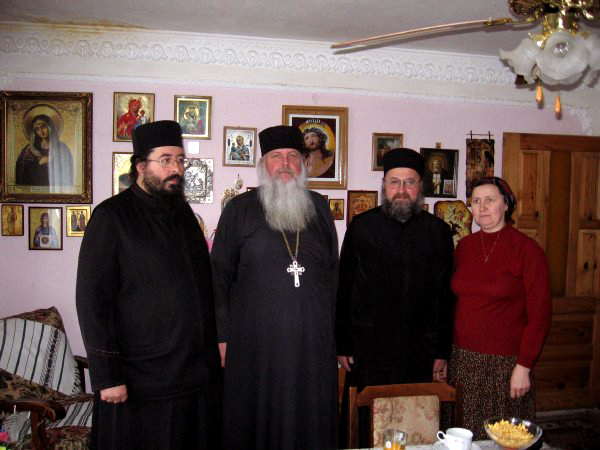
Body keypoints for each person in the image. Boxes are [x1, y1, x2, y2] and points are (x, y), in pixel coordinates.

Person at [76, 120, 222, 449]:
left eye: (180, 160)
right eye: (165, 160)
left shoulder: (184, 215)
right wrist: (108, 377)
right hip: (139, 381)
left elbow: (201, 290)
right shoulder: (111, 217)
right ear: (141, 166)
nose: (176, 169)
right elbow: (92, 302)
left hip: (192, 377)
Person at [211, 125, 339, 450]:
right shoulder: (239, 209)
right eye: (276, 156)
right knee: (256, 416)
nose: (285, 164)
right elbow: (218, 276)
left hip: (311, 343)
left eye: (293, 156)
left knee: (309, 417)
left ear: (303, 163)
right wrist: (222, 336)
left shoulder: (319, 208)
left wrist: (332, 334)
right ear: (263, 164)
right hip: (254, 343)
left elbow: (332, 273)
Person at [336, 148, 455, 447]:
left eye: (409, 182)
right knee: (367, 427)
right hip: (370, 349)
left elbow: (445, 296)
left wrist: (442, 350)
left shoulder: (438, 232)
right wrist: (343, 343)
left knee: (417, 423)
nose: (401, 190)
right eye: (394, 182)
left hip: (420, 350)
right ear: (384, 186)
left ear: (420, 187)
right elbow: (344, 288)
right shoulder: (361, 227)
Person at [448, 176, 551, 440]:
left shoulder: (527, 250)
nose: (481, 207)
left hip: (504, 366)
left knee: (501, 437)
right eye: (476, 201)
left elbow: (540, 315)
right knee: (462, 434)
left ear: (506, 204)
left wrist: (524, 366)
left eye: (490, 200)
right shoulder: (464, 247)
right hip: (463, 361)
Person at [16, 110, 74, 186]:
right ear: (35, 132)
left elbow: (68, 170)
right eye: (37, 129)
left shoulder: (62, 148)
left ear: (50, 127)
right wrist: (39, 163)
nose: (41, 131)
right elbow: (23, 172)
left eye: (43, 127)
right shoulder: (30, 149)